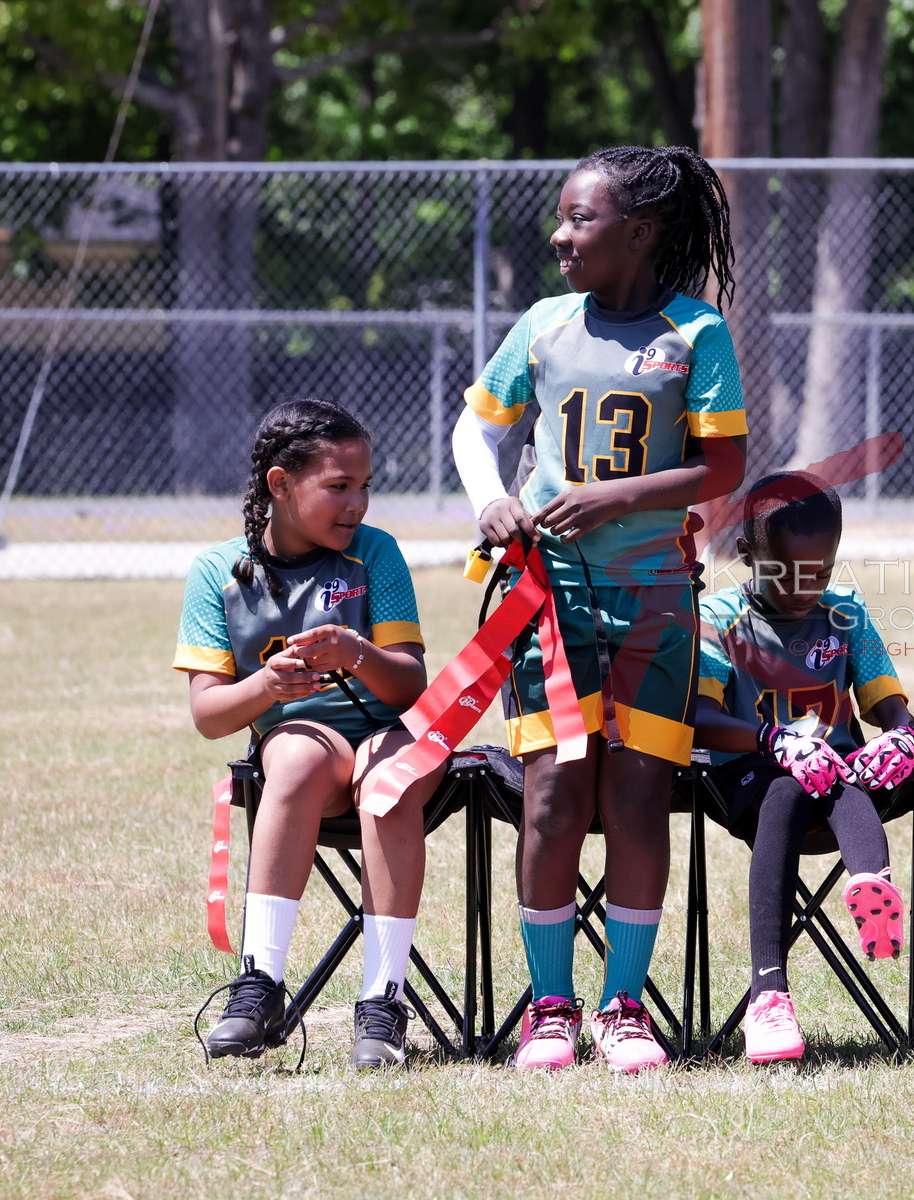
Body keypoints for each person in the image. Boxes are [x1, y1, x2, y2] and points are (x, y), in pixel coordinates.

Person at [449, 145, 747, 1073]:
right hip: (550, 598)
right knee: (551, 797)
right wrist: (489, 501)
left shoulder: (696, 332)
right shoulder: (543, 323)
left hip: (654, 602)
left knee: (637, 796)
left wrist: (618, 497)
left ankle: (623, 1007)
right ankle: (550, 1007)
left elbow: (725, 467)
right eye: (562, 217)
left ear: (640, 231)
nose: (560, 235)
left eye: (580, 218)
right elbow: (476, 428)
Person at [176, 399, 440, 1070]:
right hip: (306, 753)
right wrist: (268, 686)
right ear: (281, 485)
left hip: (390, 738)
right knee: (292, 754)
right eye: (339, 486)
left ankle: (383, 1003)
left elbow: (410, 687)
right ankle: (259, 985)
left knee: (388, 779)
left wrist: (357, 652)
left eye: (366, 486)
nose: (358, 504)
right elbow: (209, 716)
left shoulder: (375, 554)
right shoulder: (217, 572)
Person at [693, 472, 914, 1063]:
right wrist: (774, 741)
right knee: (787, 792)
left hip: (836, 777)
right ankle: (769, 997)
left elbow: (888, 703)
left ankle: (873, 888)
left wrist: (902, 734)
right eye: (786, 572)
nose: (803, 588)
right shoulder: (718, 616)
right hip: (752, 776)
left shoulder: (845, 612)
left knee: (845, 779)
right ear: (747, 553)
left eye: (819, 573)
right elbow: (700, 718)